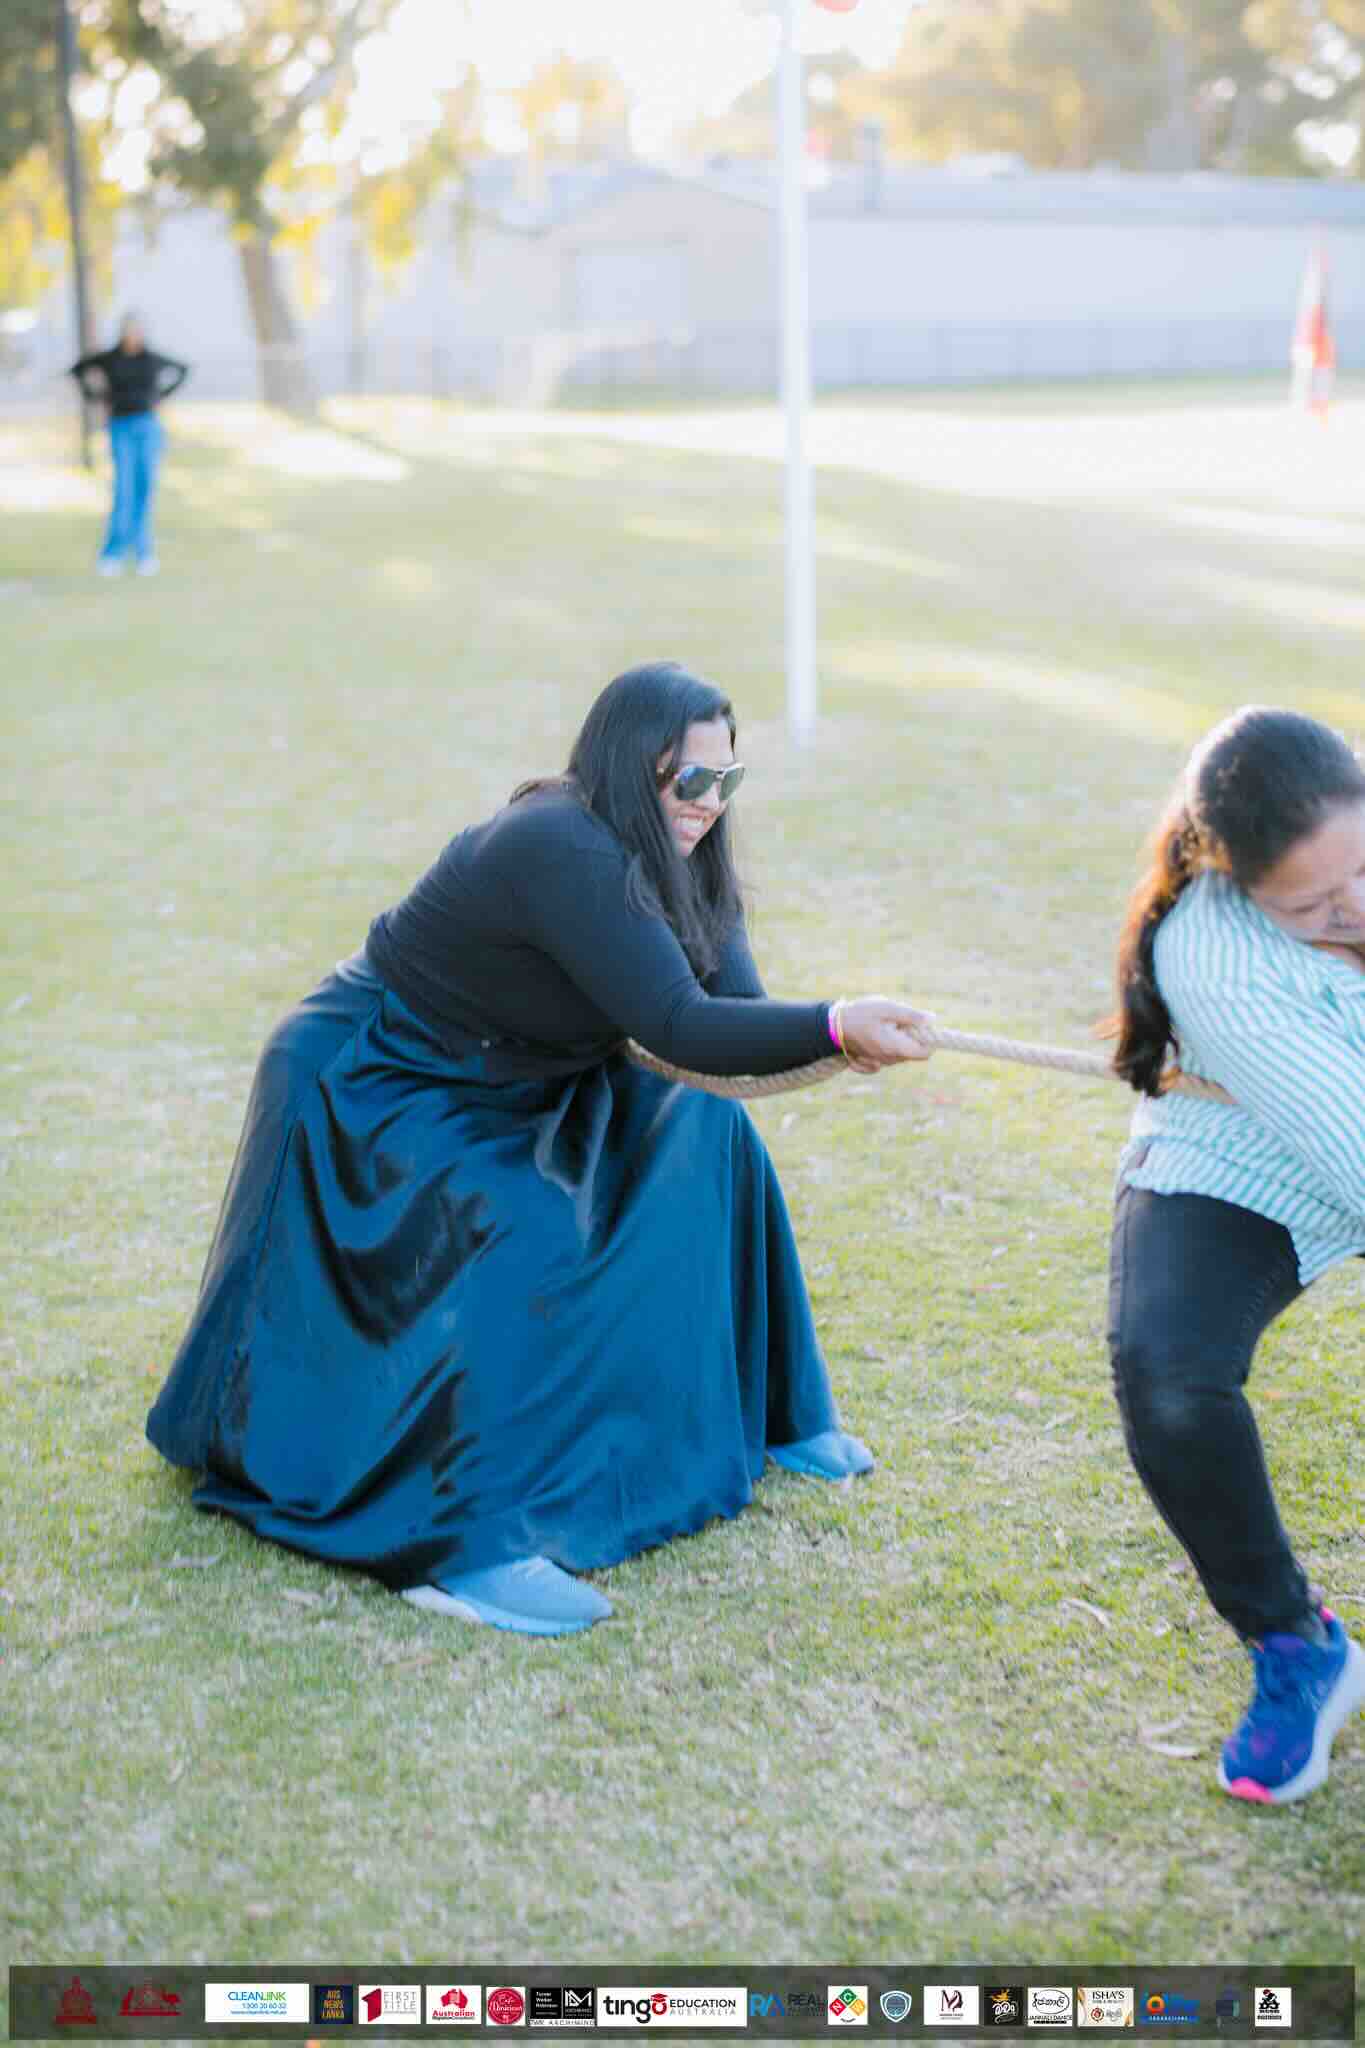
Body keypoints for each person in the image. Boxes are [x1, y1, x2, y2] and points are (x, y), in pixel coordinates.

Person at [147, 661, 936, 1636]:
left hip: (525, 1072)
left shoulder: (692, 854)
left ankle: (784, 1410)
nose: (709, 804)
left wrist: (834, 1036)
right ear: (631, 768)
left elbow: (730, 1023)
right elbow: (680, 1025)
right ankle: (462, 1541)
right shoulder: (558, 845)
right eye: (692, 781)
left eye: (728, 781)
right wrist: (834, 1022)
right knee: (512, 1218)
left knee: (711, 1128)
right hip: (383, 1072)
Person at [1108, 705, 1365, 1803]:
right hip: (1241, 1160)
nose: (1351, 906)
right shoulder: (1207, 945)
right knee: (1165, 1371)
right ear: (1236, 875)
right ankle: (1294, 1643)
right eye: (1311, 904)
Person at [68, 312, 189, 577]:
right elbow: (77, 370)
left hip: (148, 426)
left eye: (137, 330)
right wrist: (95, 397)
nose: (132, 336)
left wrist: (161, 396)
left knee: (144, 489)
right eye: (128, 330)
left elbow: (183, 369)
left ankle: (144, 552)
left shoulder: (150, 359)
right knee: (123, 489)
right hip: (120, 427)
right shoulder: (111, 359)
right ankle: (112, 553)